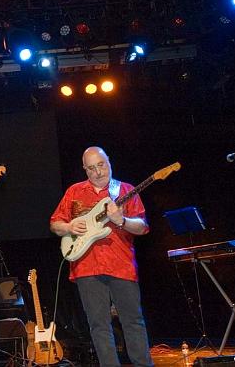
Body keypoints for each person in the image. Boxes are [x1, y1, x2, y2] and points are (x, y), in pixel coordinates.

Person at [50, 147, 154, 367]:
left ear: (109, 162)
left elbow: (142, 226)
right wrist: (68, 226)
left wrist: (121, 220)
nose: (98, 172)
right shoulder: (74, 191)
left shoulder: (125, 190)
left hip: (121, 264)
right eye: (91, 168)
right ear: (84, 169)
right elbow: (55, 223)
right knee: (98, 326)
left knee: (133, 322)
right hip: (86, 266)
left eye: (101, 165)